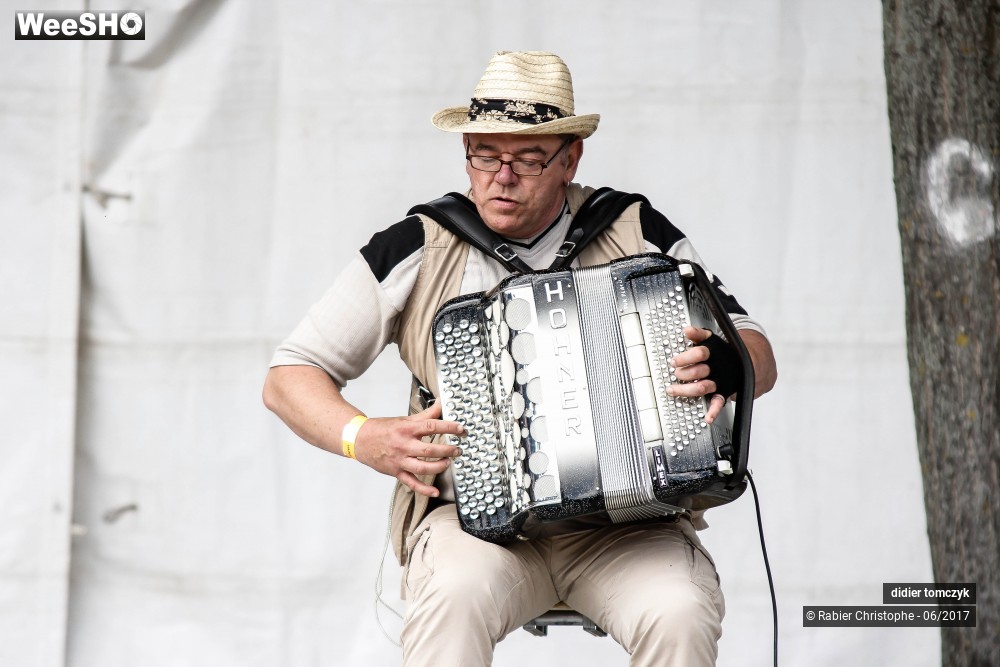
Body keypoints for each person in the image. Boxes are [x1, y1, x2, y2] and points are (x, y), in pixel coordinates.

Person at [263, 51, 777, 667]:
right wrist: (361, 436)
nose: (502, 177)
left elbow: (756, 348)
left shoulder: (636, 229)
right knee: (452, 599)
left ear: (570, 159)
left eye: (528, 159)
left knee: (680, 611)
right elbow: (290, 373)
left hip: (628, 526)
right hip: (471, 525)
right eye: (485, 155)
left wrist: (728, 362)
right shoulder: (418, 244)